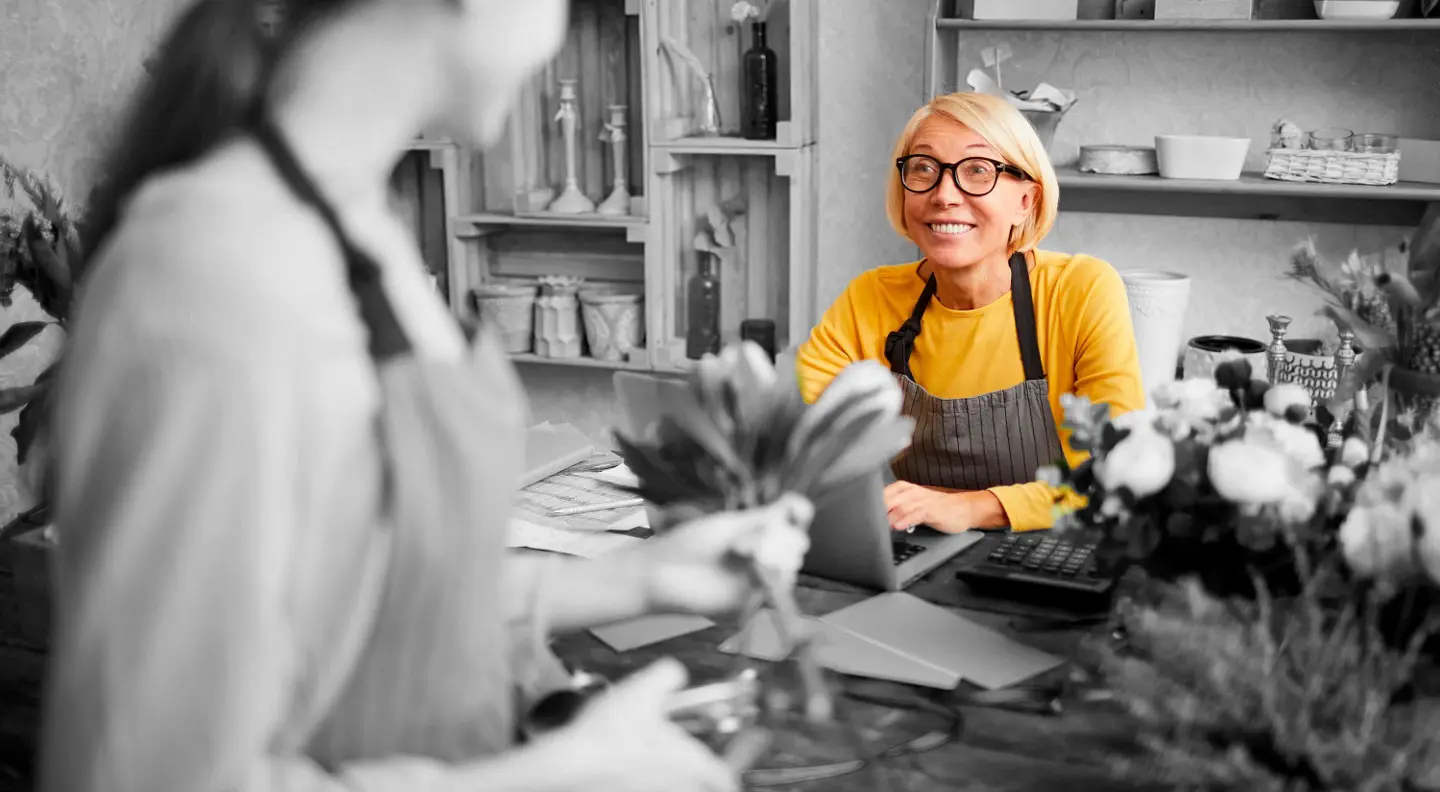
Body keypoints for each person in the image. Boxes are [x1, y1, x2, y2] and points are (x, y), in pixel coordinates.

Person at [39, 2, 813, 792]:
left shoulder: (358, 224)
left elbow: (371, 606)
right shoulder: (214, 276)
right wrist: (563, 776)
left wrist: (637, 580)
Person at [795, 91, 1144, 534]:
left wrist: (968, 509)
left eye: (978, 171)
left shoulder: (1081, 290)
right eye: (923, 168)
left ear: (1026, 201)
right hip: (918, 549)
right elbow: (793, 430)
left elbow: (1115, 474)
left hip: (1052, 554)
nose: (944, 195)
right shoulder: (871, 297)